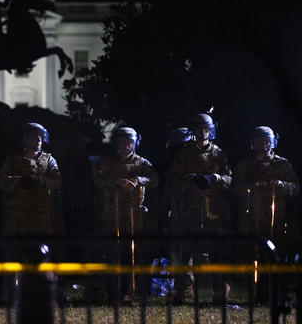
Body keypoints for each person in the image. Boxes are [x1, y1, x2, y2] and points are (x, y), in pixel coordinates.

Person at [166, 113, 232, 304]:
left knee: (217, 254)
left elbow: (230, 179)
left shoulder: (219, 153)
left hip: (214, 212)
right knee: (185, 256)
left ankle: (219, 296)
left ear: (211, 130)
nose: (203, 132)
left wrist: (215, 178)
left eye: (206, 128)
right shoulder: (183, 153)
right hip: (189, 211)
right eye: (199, 128)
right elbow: (171, 179)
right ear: (193, 130)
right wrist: (190, 179)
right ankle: (183, 294)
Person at [233, 126, 299, 303]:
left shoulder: (282, 164)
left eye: (267, 140)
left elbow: (295, 187)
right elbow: (235, 188)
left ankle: (279, 295)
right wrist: (252, 187)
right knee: (254, 258)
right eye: (260, 140)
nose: (264, 143)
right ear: (253, 143)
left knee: (278, 259)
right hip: (251, 219)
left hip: (276, 219)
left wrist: (282, 185)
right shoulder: (244, 165)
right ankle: (258, 296)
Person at [93, 127, 158, 303]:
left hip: (134, 215)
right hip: (112, 214)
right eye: (122, 142)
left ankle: (127, 292)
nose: (126, 146)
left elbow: (154, 179)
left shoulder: (142, 163)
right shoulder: (107, 162)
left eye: (129, 142)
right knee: (112, 254)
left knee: (131, 254)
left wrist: (139, 180)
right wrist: (116, 181)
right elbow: (96, 180)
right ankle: (111, 292)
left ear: (135, 143)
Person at [0, 122, 63, 235]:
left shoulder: (49, 160)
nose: (38, 140)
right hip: (18, 216)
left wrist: (39, 180)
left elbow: (57, 182)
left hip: (42, 216)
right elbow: (1, 180)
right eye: (34, 137)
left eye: (40, 137)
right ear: (25, 139)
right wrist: (20, 180)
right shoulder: (13, 160)